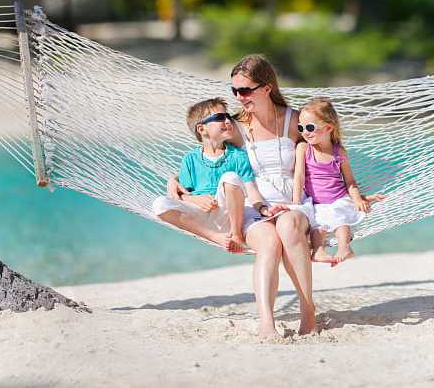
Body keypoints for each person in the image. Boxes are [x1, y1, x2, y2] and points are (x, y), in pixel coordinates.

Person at [227, 54, 319, 337]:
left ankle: (307, 311)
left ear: (267, 88)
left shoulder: (295, 121)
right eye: (235, 91)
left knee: (288, 226)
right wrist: (176, 183)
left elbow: (324, 154)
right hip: (254, 206)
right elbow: (205, 159)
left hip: (293, 202)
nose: (239, 97)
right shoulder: (235, 127)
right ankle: (266, 321)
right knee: (268, 241)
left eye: (245, 90)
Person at [152, 98, 273, 253]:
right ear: (202, 129)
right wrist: (195, 199)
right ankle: (216, 237)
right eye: (219, 118)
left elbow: (251, 189)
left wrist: (263, 208)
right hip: (200, 217)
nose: (227, 121)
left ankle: (236, 236)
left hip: (228, 215)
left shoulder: (238, 156)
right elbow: (180, 194)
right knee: (159, 203)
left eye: (228, 117)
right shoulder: (190, 159)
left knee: (230, 177)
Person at [292, 98, 384, 265]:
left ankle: (344, 247)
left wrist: (357, 199)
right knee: (317, 227)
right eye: (301, 127)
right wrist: (296, 201)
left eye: (310, 127)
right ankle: (318, 251)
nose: (304, 132)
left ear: (328, 127)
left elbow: (350, 181)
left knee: (340, 221)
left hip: (338, 198)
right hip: (316, 202)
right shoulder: (303, 148)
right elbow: (299, 176)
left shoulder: (338, 152)